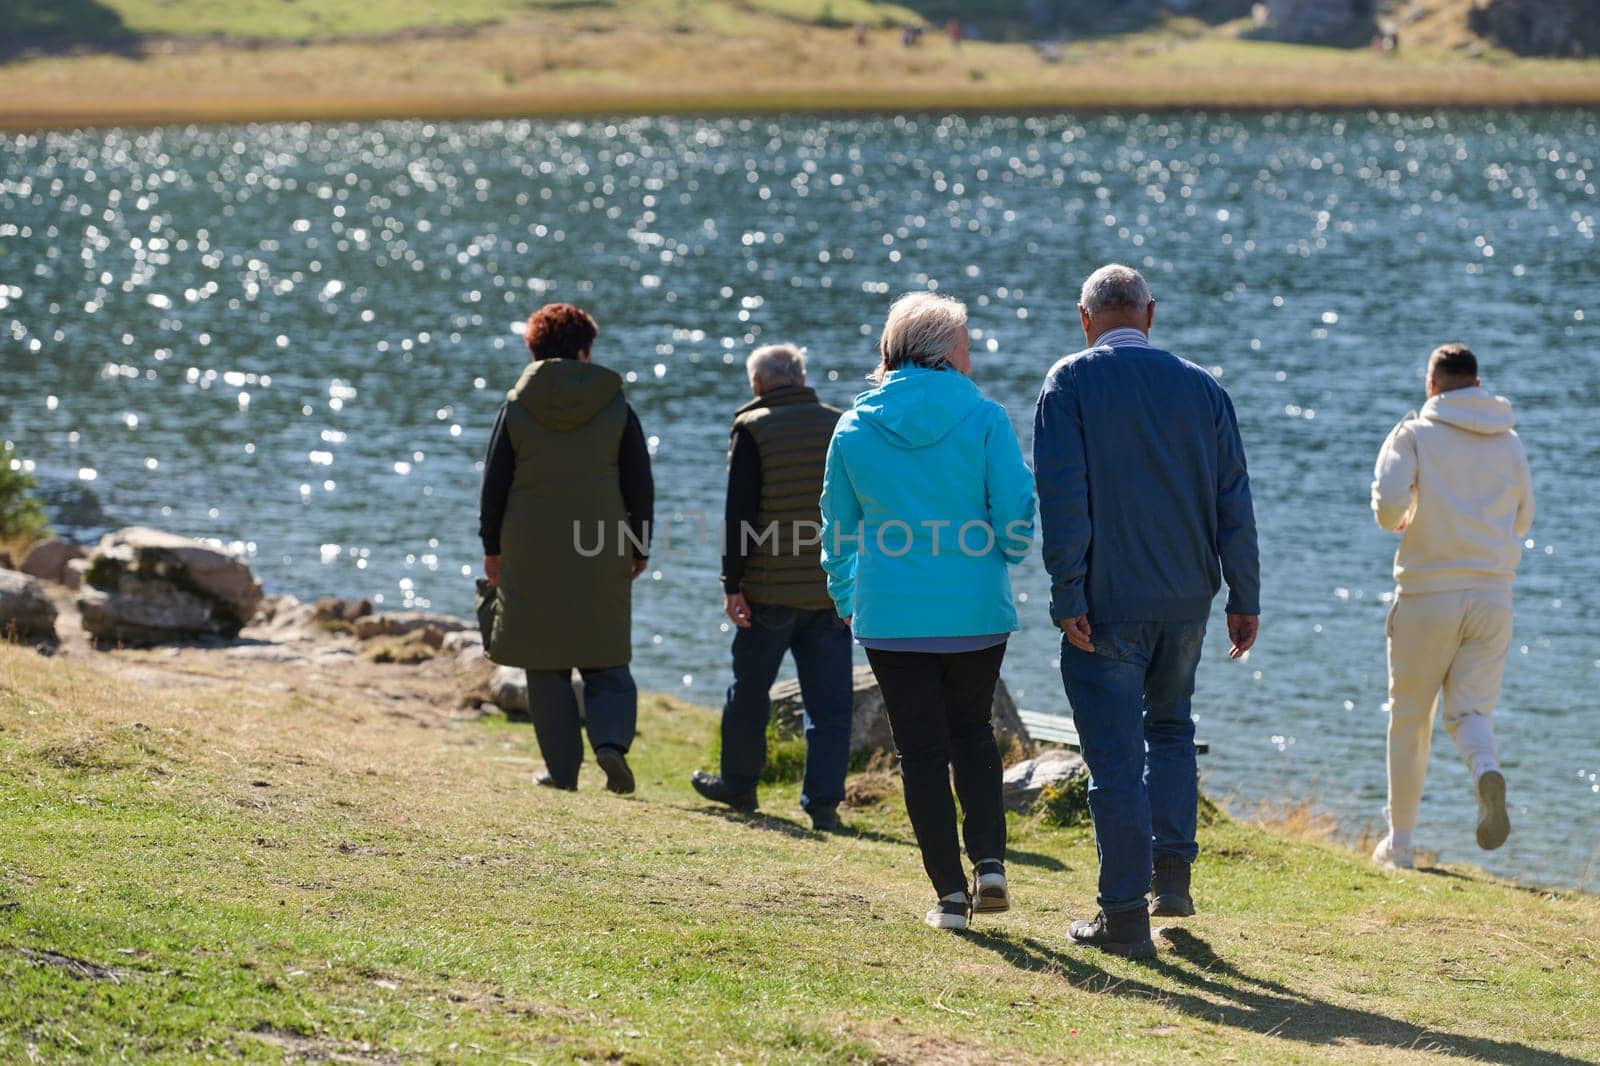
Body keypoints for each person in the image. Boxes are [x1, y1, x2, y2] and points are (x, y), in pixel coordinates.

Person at [1033, 265, 1259, 959]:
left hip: (1106, 604)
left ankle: (1124, 918)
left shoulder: (1069, 382)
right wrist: (1244, 596)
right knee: (1170, 728)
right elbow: (1234, 502)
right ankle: (1172, 877)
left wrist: (1066, 590)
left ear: (1084, 317)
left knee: (1114, 758)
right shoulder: (1203, 388)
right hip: (1189, 600)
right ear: (1150, 315)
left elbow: (1063, 497)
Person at [820, 292, 1036, 931]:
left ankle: (949, 896)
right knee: (973, 733)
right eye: (967, 342)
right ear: (943, 350)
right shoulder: (987, 417)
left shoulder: (854, 426)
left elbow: (838, 528)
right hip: (975, 608)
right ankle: (990, 864)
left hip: (891, 615)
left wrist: (846, 597)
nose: (973, 354)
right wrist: (1007, 550)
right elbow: (1016, 511)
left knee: (919, 753)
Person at [1370, 344, 1534, 870]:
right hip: (1493, 595)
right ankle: (1485, 769)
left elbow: (1387, 506)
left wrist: (1405, 516)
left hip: (1427, 595)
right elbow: (1524, 518)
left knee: (1410, 717)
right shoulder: (1510, 442)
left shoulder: (1414, 434)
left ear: (1433, 385)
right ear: (1478, 382)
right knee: (1470, 712)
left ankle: (1400, 846)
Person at [478, 303, 654, 795]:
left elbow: (495, 485)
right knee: (606, 652)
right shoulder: (616, 405)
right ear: (583, 349)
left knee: (545, 661)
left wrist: (491, 548)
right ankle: (611, 744)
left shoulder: (516, 405)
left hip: (529, 547)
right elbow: (639, 482)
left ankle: (562, 770)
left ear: (534, 350)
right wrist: (640, 544)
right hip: (601, 543)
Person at [690, 344, 853, 832]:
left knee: (750, 693)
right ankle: (823, 804)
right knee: (830, 703)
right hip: (829, 590)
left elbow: (738, 513)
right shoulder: (840, 424)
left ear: (758, 385)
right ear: (800, 377)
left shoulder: (753, 429)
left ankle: (739, 785)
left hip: (769, 591)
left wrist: (731, 583)